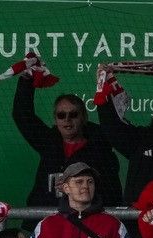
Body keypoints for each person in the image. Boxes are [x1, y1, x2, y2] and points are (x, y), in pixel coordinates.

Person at [14, 72, 121, 208]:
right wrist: (26, 79)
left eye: (73, 114)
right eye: (61, 115)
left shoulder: (101, 149)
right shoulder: (48, 142)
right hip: (43, 219)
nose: (67, 120)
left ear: (83, 118)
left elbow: (113, 194)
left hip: (85, 221)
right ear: (55, 119)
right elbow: (22, 115)